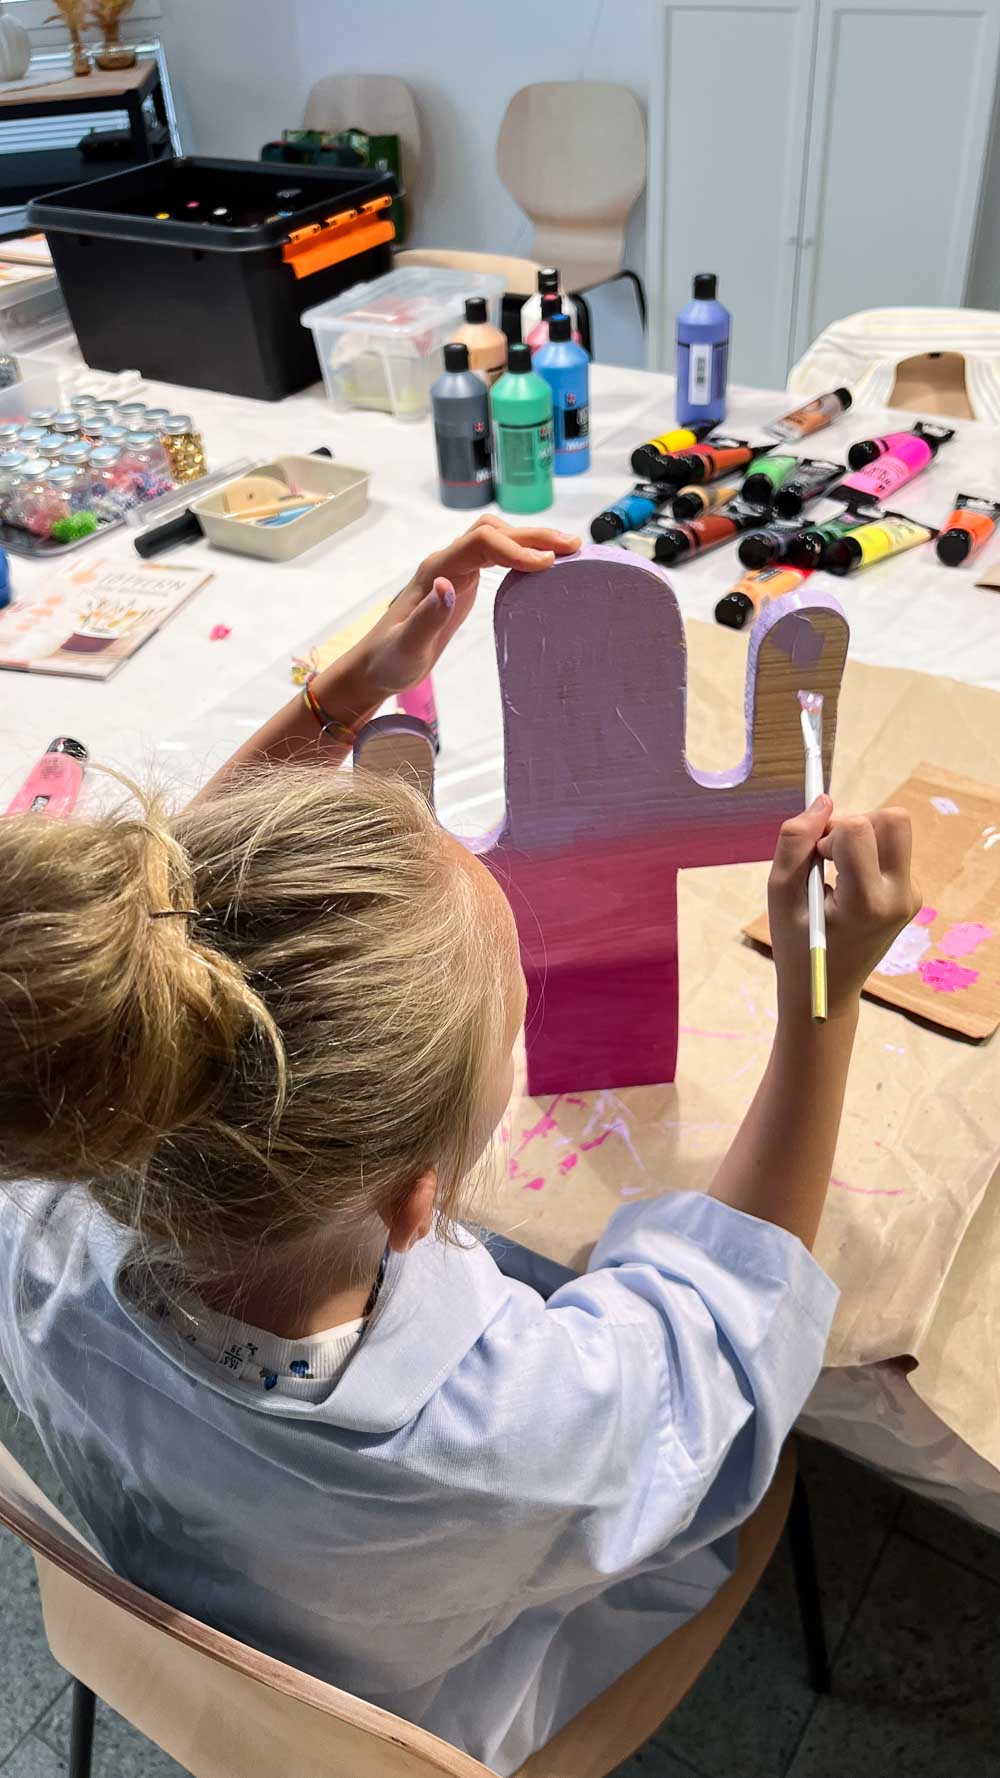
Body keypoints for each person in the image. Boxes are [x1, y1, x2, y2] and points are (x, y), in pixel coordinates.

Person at [0, 517, 918, 1775]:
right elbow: (722, 1332)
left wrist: (338, 700)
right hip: (427, 1701)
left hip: (159, 1603)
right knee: (772, 1476)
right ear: (422, 1198)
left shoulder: (40, 1190)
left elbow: (159, 944)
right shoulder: (520, 1428)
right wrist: (823, 992)